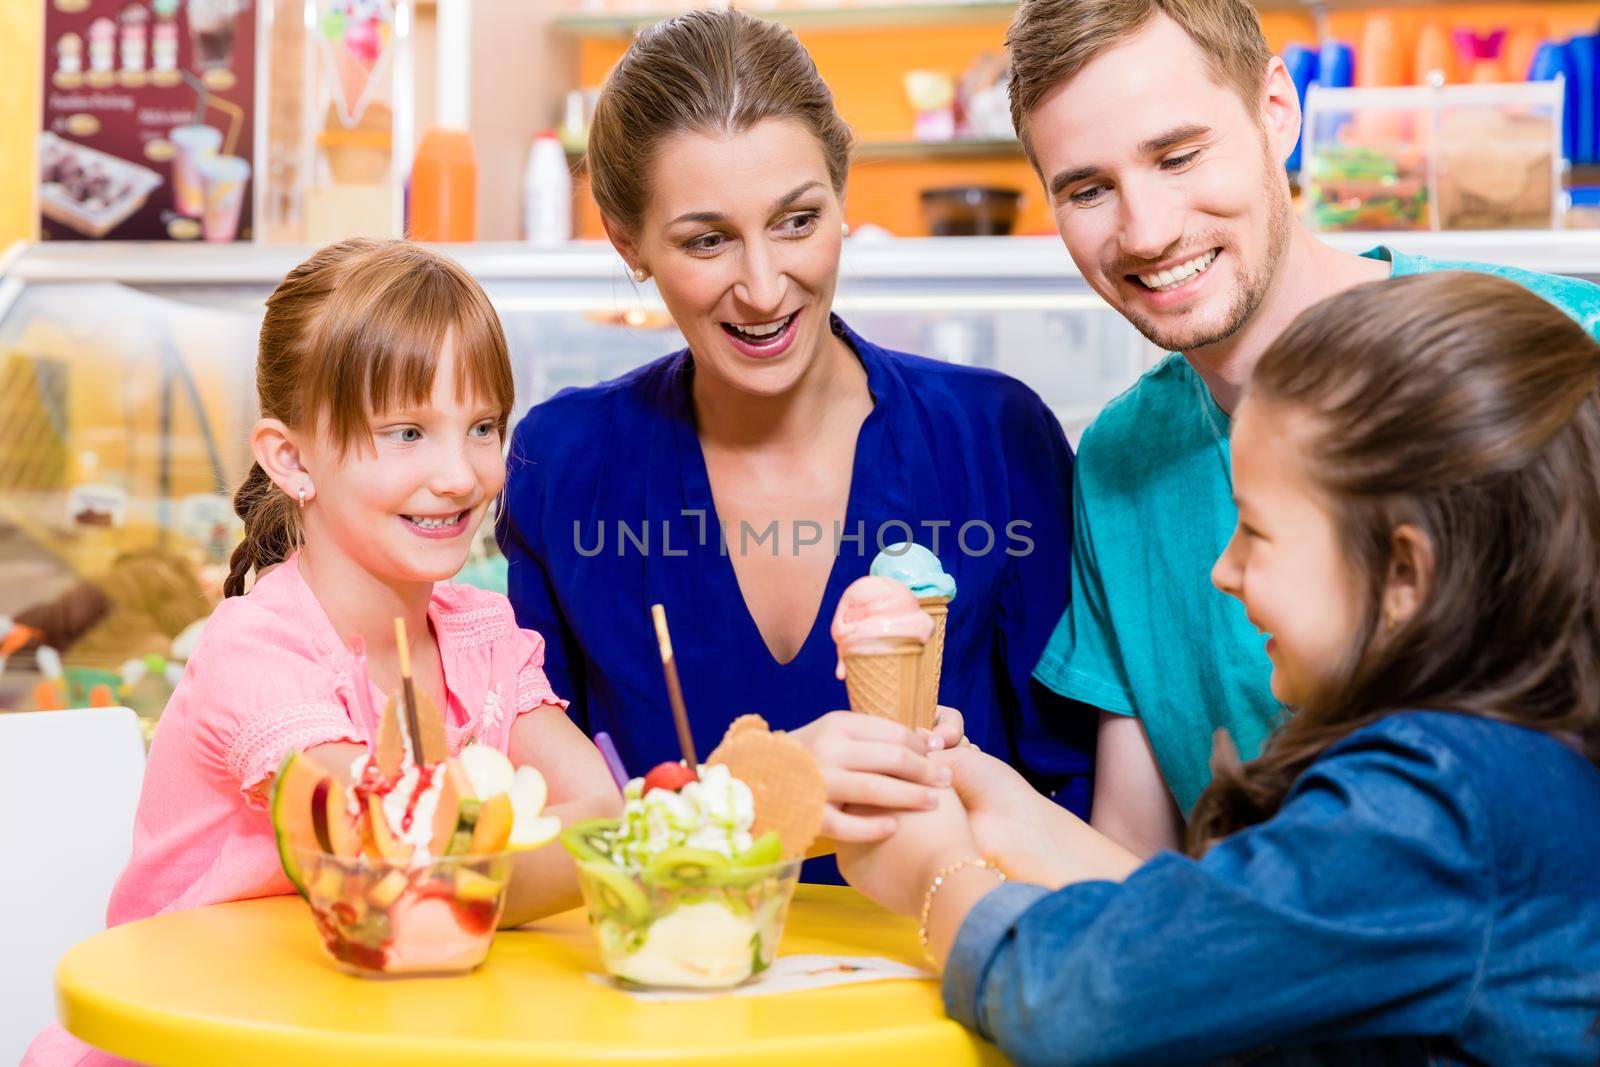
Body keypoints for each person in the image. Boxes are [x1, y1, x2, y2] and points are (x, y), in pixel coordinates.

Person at [839, 271, 1600, 1065]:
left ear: (1406, 572)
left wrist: (938, 875)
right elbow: (1206, 940)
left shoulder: (1432, 803)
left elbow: (1083, 1000)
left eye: (1256, 532)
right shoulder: (1509, 763)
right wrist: (990, 801)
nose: (1223, 571)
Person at [498, 8, 1092, 879]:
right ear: (628, 242)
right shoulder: (564, 464)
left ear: (841, 193)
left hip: (944, 982)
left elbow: (1069, 795)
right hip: (668, 988)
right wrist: (767, 792)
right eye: (707, 240)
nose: (765, 286)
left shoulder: (996, 438)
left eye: (797, 221)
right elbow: (535, 822)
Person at [1004, 0, 1600, 854]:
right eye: (1088, 189)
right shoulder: (1118, 462)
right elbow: (1137, 858)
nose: (1147, 230)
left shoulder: (1554, 351)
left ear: (1276, 108)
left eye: (1178, 155)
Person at [25, 239, 621, 1064]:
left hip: (381, 1033)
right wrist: (514, 869)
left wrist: (474, 875)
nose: (458, 474)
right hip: (202, 1043)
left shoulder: (481, 630)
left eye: (482, 426)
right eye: (407, 431)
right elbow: (392, 864)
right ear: (293, 458)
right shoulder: (259, 650)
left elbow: (599, 813)